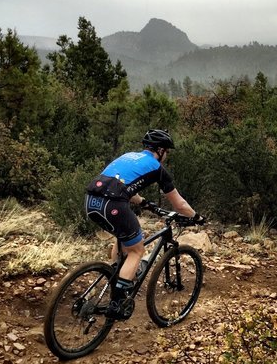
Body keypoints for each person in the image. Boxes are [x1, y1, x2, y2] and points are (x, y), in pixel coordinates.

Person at [84, 128, 204, 320]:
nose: (166, 156)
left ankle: (116, 274)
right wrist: (197, 217)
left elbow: (120, 184)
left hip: (91, 201)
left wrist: (144, 203)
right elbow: (179, 204)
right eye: (167, 152)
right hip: (113, 204)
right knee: (136, 251)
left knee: (123, 236)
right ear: (161, 150)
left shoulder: (128, 156)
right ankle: (117, 301)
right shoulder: (156, 167)